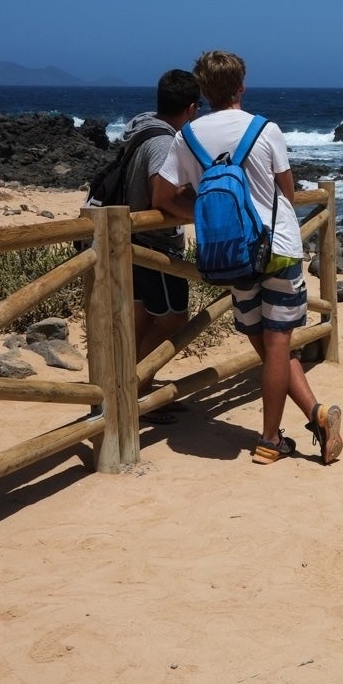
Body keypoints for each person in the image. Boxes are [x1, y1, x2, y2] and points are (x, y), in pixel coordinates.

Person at [153, 50, 343, 466]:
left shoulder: (187, 137)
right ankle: (270, 439)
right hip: (275, 249)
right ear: (241, 86)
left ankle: (318, 416)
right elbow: (287, 195)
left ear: (202, 91)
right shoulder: (265, 129)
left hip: (229, 252)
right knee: (278, 345)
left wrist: (202, 212)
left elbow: (162, 197)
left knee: (266, 345)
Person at [121, 69, 200, 425]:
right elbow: (160, 195)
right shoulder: (164, 141)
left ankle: (133, 389)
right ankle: (140, 390)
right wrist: (202, 212)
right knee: (174, 318)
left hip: (133, 243)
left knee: (141, 319)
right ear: (192, 107)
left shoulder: (141, 128)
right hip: (154, 246)